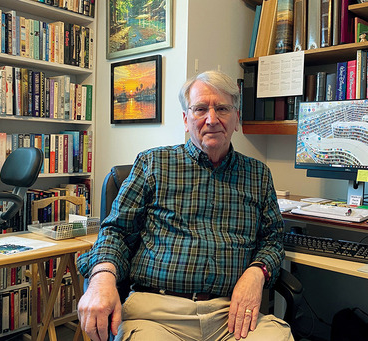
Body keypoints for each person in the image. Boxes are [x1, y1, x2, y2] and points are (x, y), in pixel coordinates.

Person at [77, 70, 293, 341]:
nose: (211, 119)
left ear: (236, 118)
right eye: (200, 109)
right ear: (185, 119)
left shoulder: (258, 175)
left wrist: (257, 271)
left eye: (222, 109)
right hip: (156, 314)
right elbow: (116, 231)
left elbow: (273, 240)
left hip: (231, 315)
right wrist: (102, 277)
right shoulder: (153, 163)